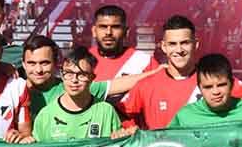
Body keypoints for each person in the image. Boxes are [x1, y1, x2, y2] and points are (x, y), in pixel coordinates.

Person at [118, 15, 242, 132]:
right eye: (173, 44)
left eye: (185, 43)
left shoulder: (214, 82)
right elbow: (121, 115)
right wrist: (130, 131)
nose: (179, 50)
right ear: (163, 47)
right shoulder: (146, 85)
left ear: (196, 44)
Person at [22, 35, 155, 122]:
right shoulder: (13, 90)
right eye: (32, 63)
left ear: (56, 63)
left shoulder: (72, 86)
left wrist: (157, 73)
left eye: (45, 63)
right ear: (23, 64)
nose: (38, 70)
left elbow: (116, 84)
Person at [32, 47, 122, 142]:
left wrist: (123, 135)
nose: (74, 80)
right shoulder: (46, 115)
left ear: (92, 78)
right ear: (62, 76)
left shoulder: (106, 111)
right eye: (69, 74)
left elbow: (120, 144)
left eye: (82, 74)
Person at [170, 54, 242, 126]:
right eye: (208, 87)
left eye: (221, 85)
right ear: (199, 88)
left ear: (232, 84)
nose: (216, 92)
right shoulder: (185, 117)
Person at [88, 5, 158, 81]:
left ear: (126, 32)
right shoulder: (82, 60)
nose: (108, 32)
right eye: (103, 27)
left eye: (115, 27)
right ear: (94, 31)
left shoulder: (144, 62)